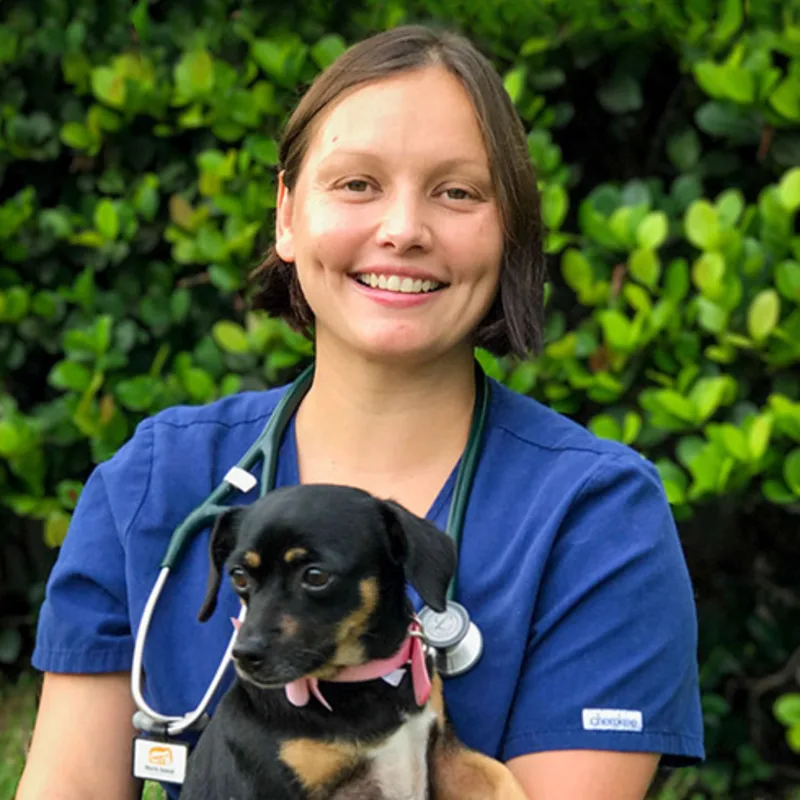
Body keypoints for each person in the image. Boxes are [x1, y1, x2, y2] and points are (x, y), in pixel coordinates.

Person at [16, 24, 704, 800]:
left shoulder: (597, 514)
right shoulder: (154, 480)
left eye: (457, 192)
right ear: (286, 213)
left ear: (510, 229)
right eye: (356, 184)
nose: (403, 230)